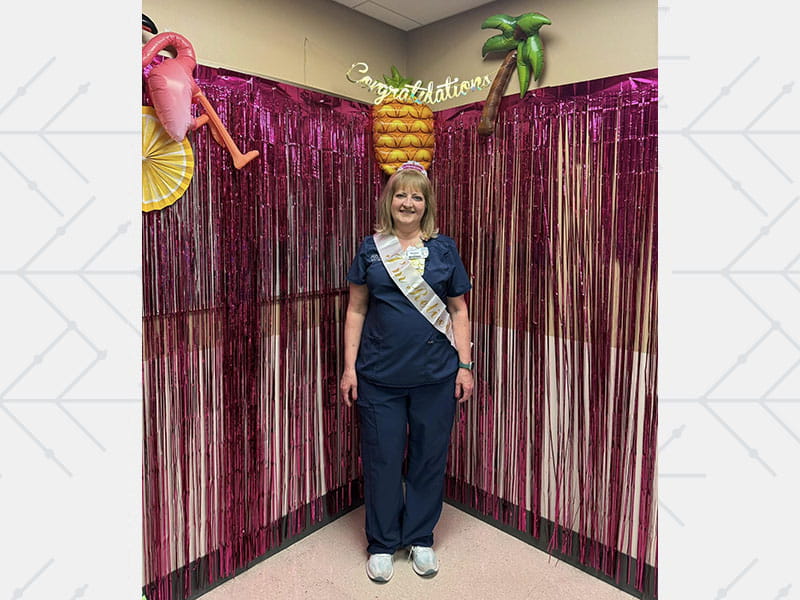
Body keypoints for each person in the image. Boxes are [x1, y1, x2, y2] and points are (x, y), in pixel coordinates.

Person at [340, 161, 474, 583]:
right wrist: (349, 369)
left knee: (429, 458)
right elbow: (356, 309)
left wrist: (465, 366)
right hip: (379, 377)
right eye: (401, 194)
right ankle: (381, 542)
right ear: (389, 199)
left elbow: (459, 311)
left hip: (436, 375)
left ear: (426, 204)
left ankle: (420, 536)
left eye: (417, 196)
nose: (408, 202)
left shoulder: (444, 249)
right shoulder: (370, 248)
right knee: (381, 460)